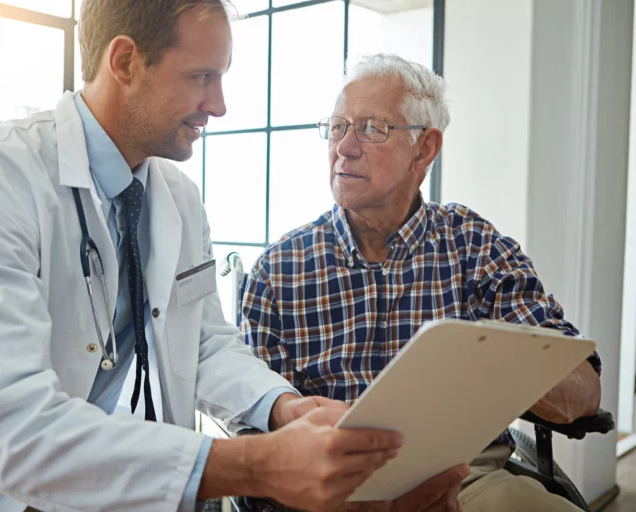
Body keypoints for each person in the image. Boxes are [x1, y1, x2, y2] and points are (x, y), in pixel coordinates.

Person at [0, 4, 456, 512]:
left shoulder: (175, 197)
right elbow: (10, 425)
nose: (219, 104)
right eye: (201, 76)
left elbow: (203, 343)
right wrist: (254, 465)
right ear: (125, 62)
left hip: (83, 487)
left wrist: (284, 408)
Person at [241, 54, 602, 512]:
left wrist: (491, 365)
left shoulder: (474, 246)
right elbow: (256, 429)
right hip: (332, 493)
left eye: (372, 128)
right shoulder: (279, 269)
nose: (344, 147)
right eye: (336, 127)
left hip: (466, 479)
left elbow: (583, 395)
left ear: (425, 149)